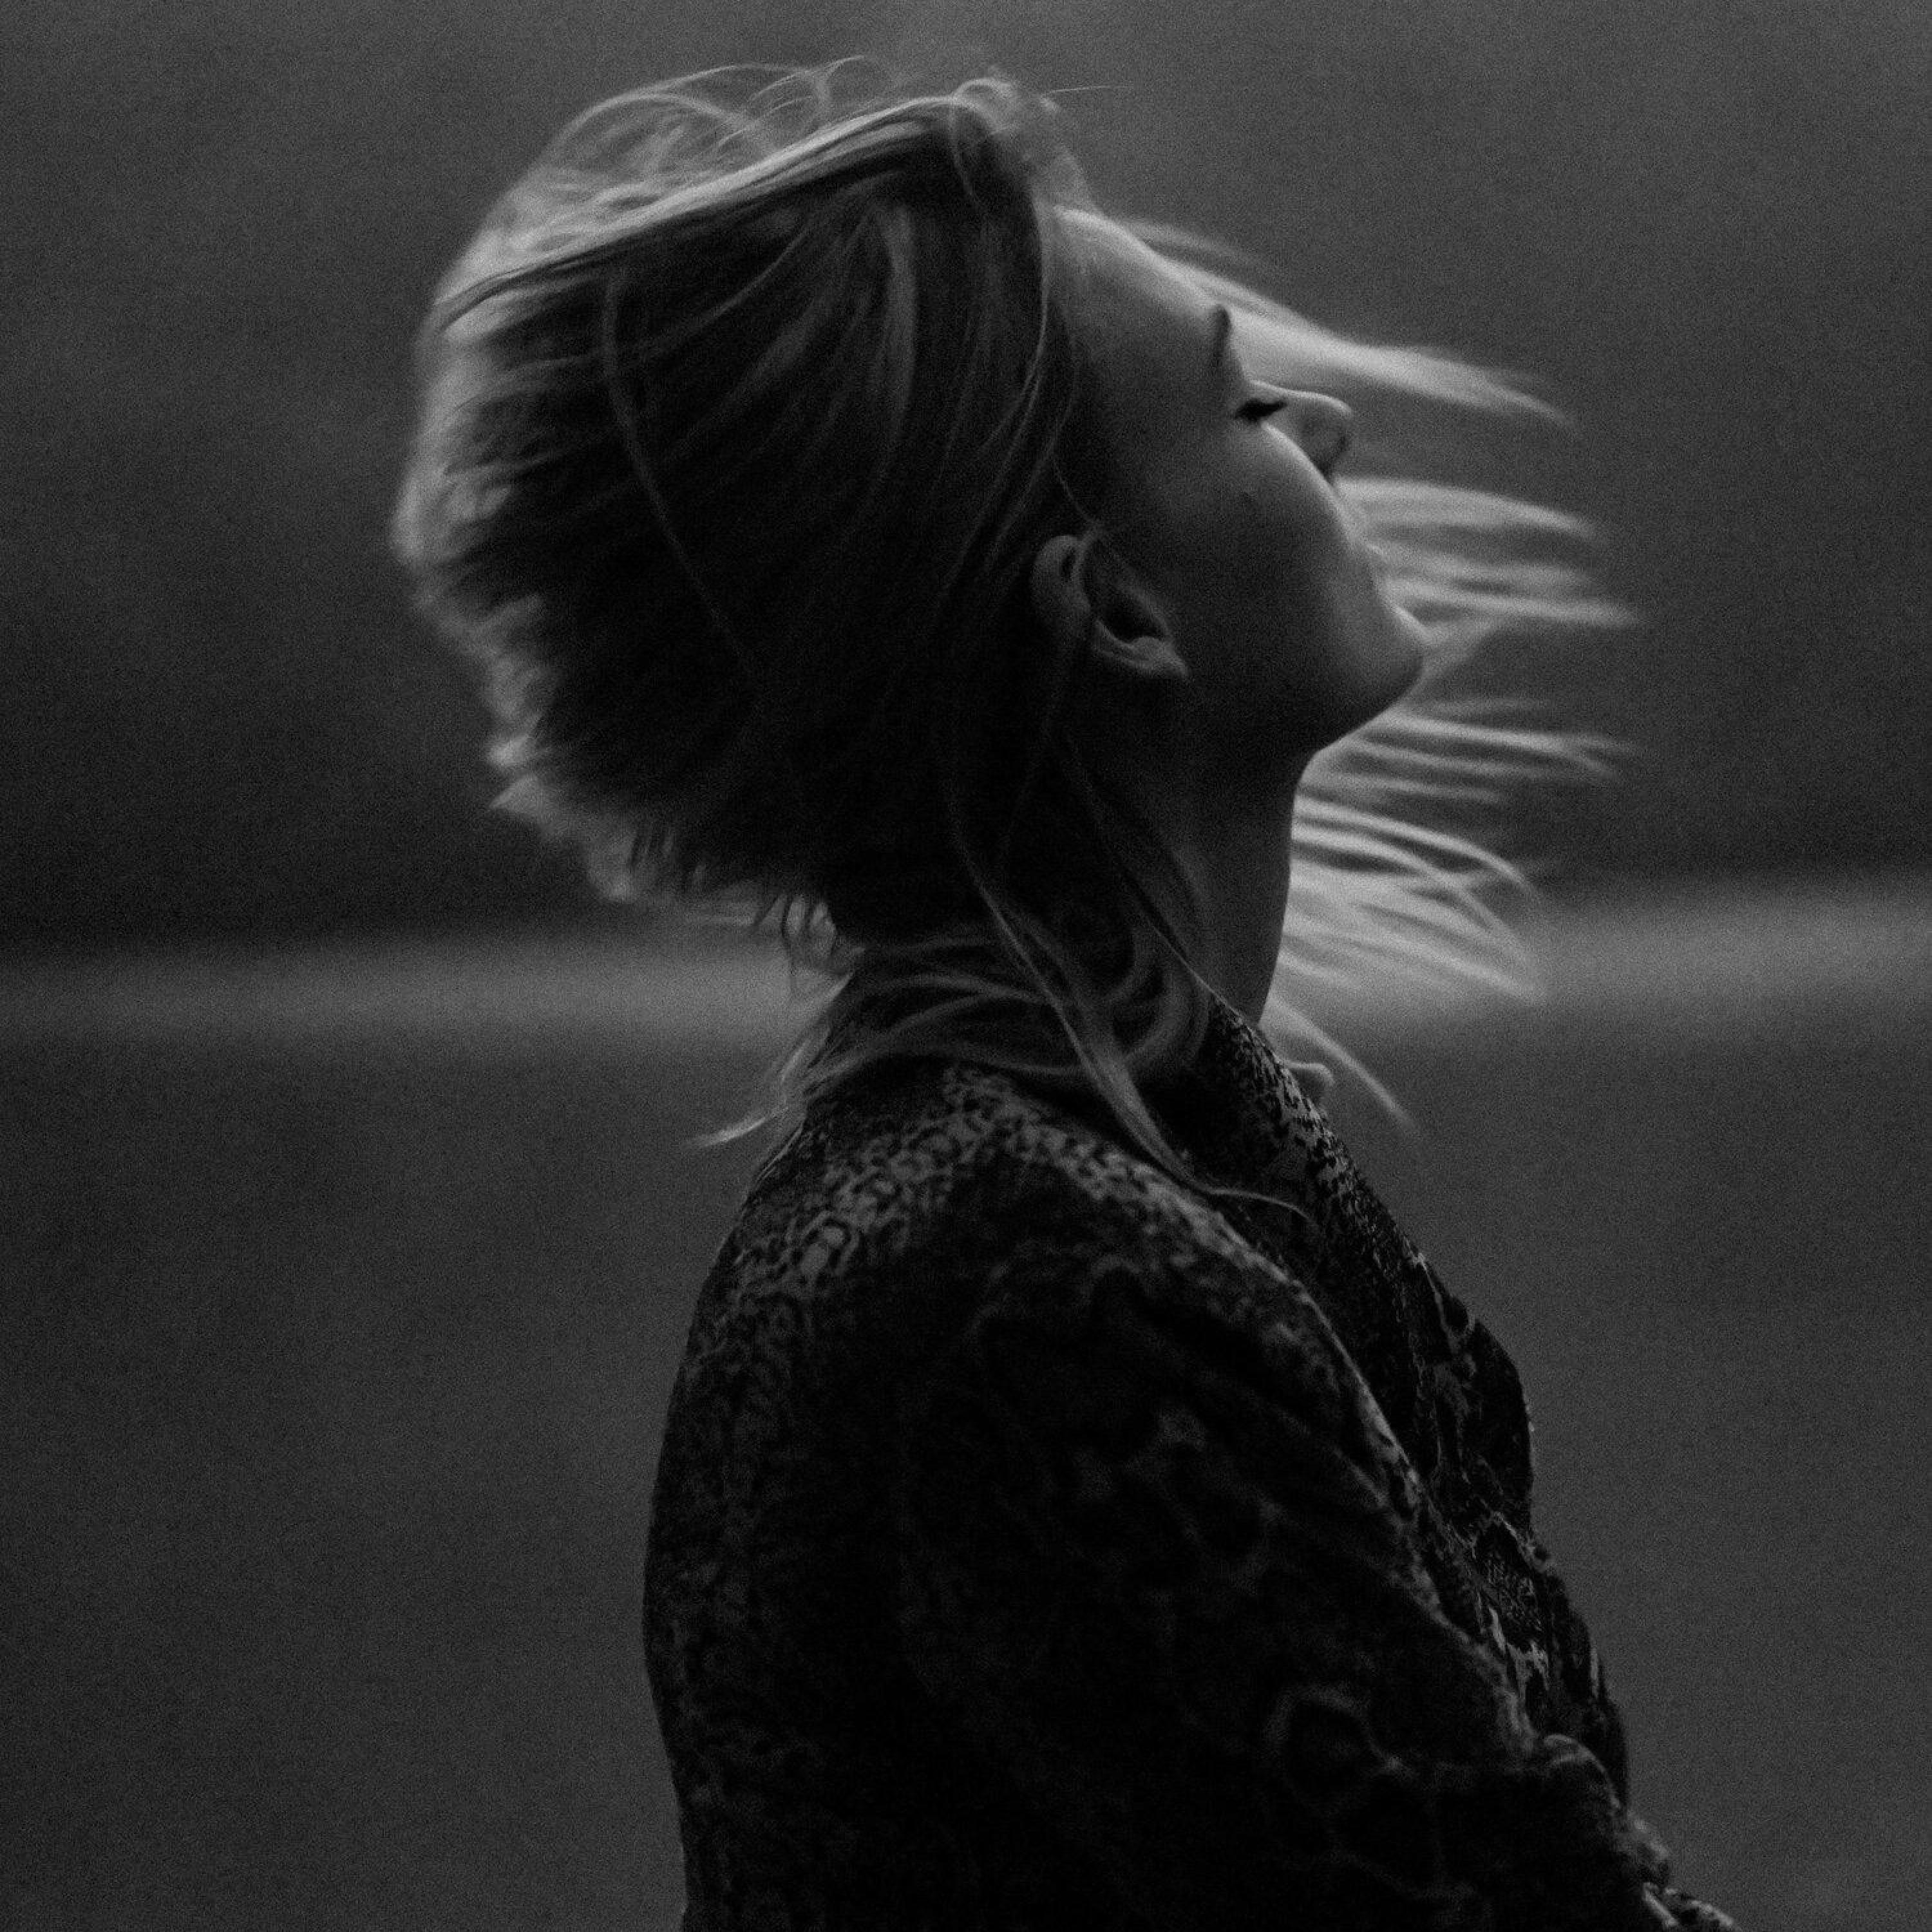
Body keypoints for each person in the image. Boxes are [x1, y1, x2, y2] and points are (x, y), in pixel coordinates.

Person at [389, 57, 1743, 1931]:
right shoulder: (1040, 1292)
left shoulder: (1094, 1189)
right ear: (1114, 611)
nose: (1335, 423)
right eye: (1249, 407)